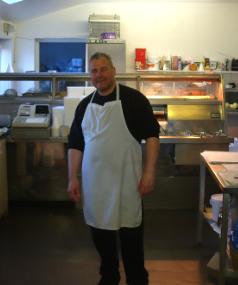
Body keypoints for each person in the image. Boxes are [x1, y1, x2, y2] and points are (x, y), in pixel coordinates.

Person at [67, 52, 160, 285]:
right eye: (94, 71)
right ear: (90, 75)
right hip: (95, 186)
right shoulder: (83, 106)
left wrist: (149, 172)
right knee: (101, 238)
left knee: (131, 241)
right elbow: (76, 145)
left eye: (103, 69)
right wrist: (72, 178)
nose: (99, 75)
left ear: (113, 70)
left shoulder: (134, 100)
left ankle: (137, 279)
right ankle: (109, 277)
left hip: (127, 184)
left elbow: (152, 136)